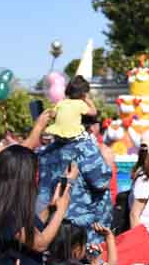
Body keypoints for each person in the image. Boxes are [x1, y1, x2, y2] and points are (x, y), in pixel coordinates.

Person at [35, 81, 115, 244]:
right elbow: (102, 182)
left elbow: (43, 192)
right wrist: (108, 162)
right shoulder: (84, 148)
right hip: (82, 233)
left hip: (52, 228)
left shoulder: (46, 152)